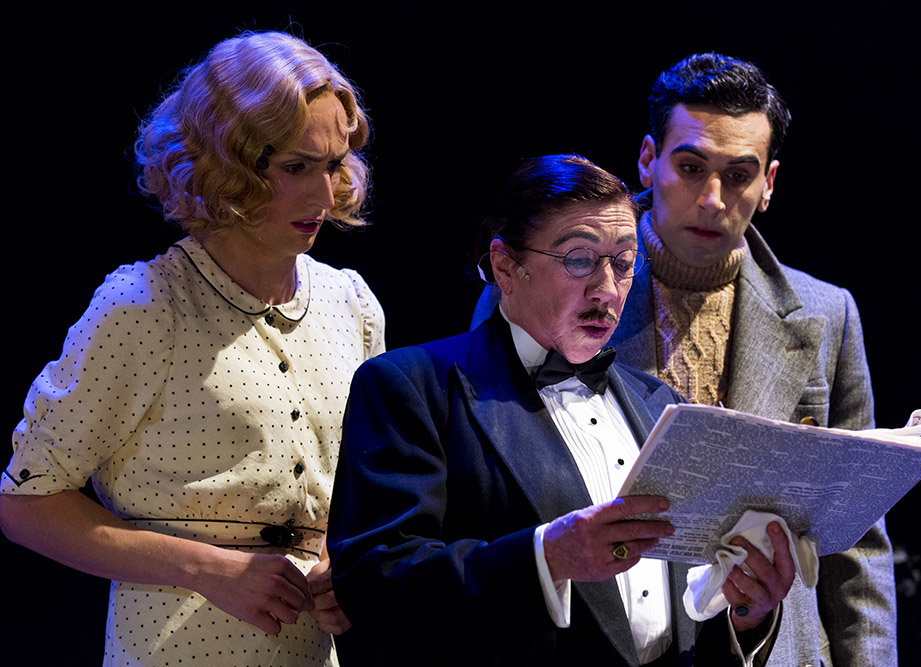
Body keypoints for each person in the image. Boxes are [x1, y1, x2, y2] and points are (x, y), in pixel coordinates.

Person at [0, 31, 384, 666]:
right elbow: (27, 504)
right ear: (226, 163)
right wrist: (209, 569)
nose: (324, 194)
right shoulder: (146, 309)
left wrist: (340, 564)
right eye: (295, 167)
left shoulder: (352, 305)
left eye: (334, 165)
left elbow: (361, 493)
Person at [328, 154, 794, 666]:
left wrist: (743, 611)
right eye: (579, 259)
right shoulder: (413, 387)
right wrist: (544, 558)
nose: (607, 290)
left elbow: (680, 614)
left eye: (622, 262)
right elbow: (376, 583)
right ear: (506, 266)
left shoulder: (662, 404)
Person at [613, 54, 897, 666]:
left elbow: (859, 547)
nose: (713, 199)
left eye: (738, 175)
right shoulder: (561, 289)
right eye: (690, 168)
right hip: (609, 634)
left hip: (768, 647)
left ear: (769, 183)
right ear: (647, 159)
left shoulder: (828, 315)